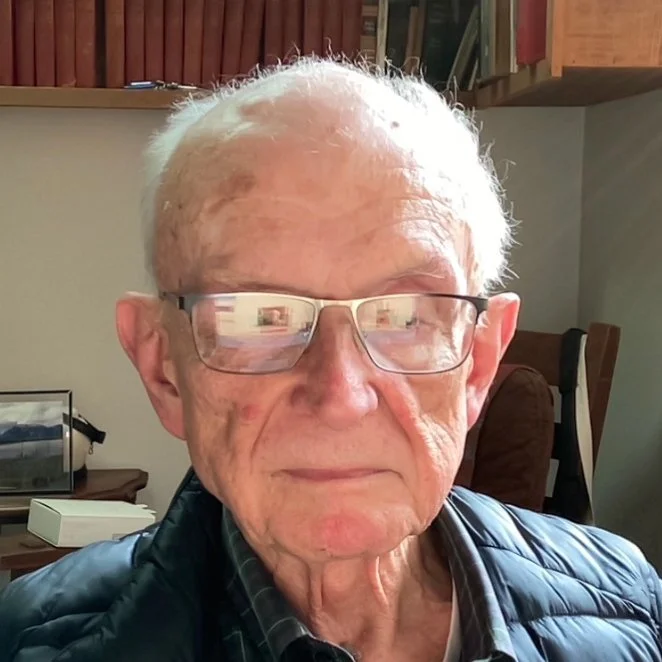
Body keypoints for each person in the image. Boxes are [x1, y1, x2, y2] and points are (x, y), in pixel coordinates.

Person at [1, 59, 660, 662]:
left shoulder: (634, 608)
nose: (341, 395)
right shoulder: (29, 643)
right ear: (162, 367)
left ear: (479, 362)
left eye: (404, 316)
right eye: (259, 317)